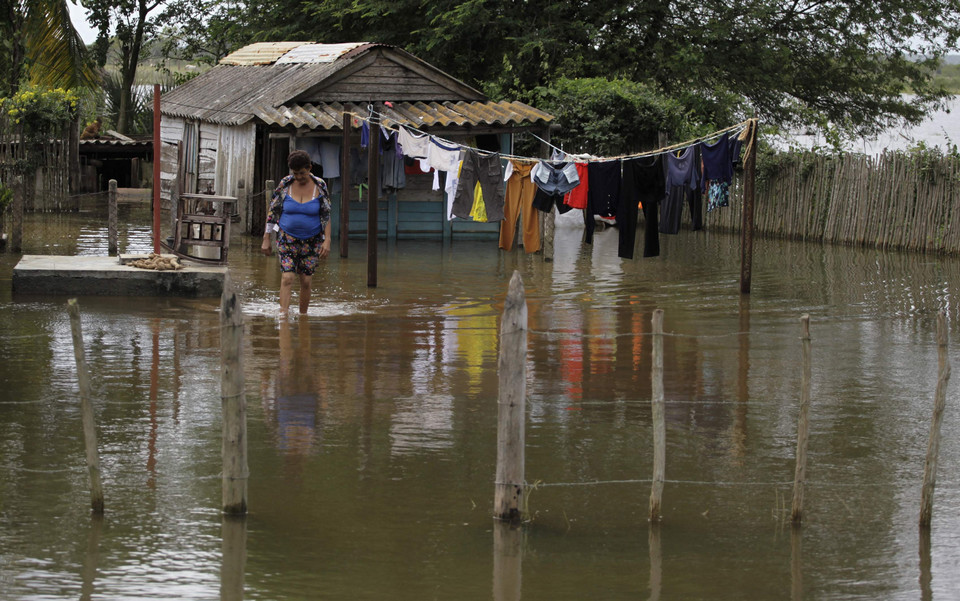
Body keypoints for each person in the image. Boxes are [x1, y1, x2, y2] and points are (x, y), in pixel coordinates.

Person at [261, 150, 332, 315]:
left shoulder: (320, 186)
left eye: (302, 173)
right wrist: (266, 238)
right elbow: (273, 212)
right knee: (287, 278)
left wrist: (327, 240)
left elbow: (326, 215)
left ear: (309, 168)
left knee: (306, 281)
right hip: (287, 238)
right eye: (295, 173)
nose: (298, 177)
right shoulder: (285, 185)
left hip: (312, 240)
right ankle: (283, 316)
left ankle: (303, 317)